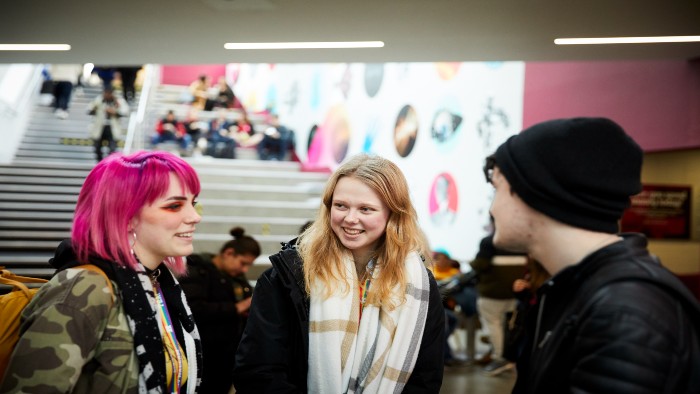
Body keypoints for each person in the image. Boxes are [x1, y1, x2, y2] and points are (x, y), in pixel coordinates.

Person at [484, 117, 700, 393]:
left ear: (536, 191)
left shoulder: (624, 310)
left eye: (497, 188)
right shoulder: (574, 289)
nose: (492, 208)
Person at [233, 153, 444, 393]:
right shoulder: (288, 276)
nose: (350, 219)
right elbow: (258, 372)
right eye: (340, 205)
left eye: (366, 209)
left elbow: (425, 377)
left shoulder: (419, 285)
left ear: (393, 214)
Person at [0, 151, 204, 393]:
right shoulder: (85, 287)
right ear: (125, 215)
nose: (195, 217)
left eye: (193, 203)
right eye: (174, 206)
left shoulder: (157, 282)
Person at [179, 227, 261, 394]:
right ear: (229, 253)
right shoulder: (198, 270)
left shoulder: (236, 277)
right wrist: (239, 307)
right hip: (205, 353)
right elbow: (193, 309)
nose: (245, 269)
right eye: (243, 263)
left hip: (227, 355)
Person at [469, 230, 527, 376]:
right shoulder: (521, 241)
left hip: (492, 293)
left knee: (493, 325)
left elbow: (480, 265)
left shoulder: (489, 241)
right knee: (510, 327)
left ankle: (499, 358)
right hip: (516, 292)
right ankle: (509, 358)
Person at [87, 88, 129, 162]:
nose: (107, 95)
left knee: (112, 149)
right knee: (97, 147)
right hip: (100, 128)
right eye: (105, 93)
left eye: (109, 93)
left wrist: (115, 112)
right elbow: (89, 109)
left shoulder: (118, 101)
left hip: (112, 128)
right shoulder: (99, 100)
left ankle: (109, 164)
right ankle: (100, 163)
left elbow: (125, 111)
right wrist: (95, 107)